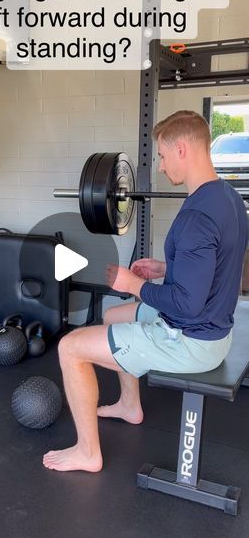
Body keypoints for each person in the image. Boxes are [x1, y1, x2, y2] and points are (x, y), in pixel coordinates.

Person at [43, 110, 249, 473]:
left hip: (191, 339)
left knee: (70, 347)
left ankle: (87, 453)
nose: (162, 166)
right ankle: (128, 405)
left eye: (164, 157)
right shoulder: (229, 198)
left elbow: (186, 303)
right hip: (213, 328)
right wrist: (165, 269)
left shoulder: (196, 217)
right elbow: (217, 266)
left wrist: (134, 285)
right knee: (112, 315)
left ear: (182, 149)